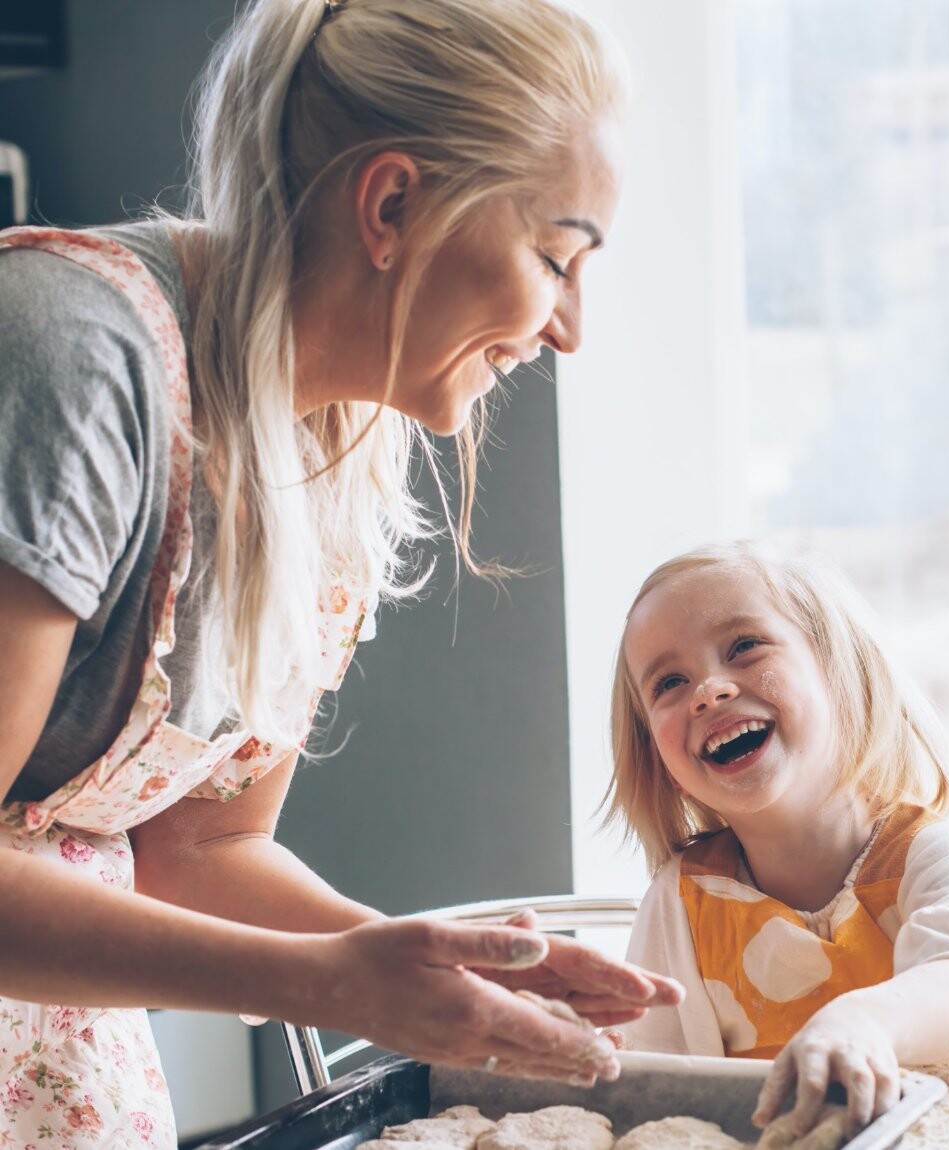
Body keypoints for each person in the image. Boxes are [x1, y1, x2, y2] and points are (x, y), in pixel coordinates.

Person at [0, 1, 681, 1146]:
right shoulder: (72, 361)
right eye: (556, 258)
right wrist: (329, 984)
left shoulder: (335, 451)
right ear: (394, 202)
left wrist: (429, 977)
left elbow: (202, 845)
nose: (571, 331)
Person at [604, 542, 949, 1139]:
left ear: (836, 667)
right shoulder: (678, 904)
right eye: (669, 681)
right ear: (655, 754)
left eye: (744, 647)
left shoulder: (928, 856)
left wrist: (862, 1021)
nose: (709, 690)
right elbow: (659, 1097)